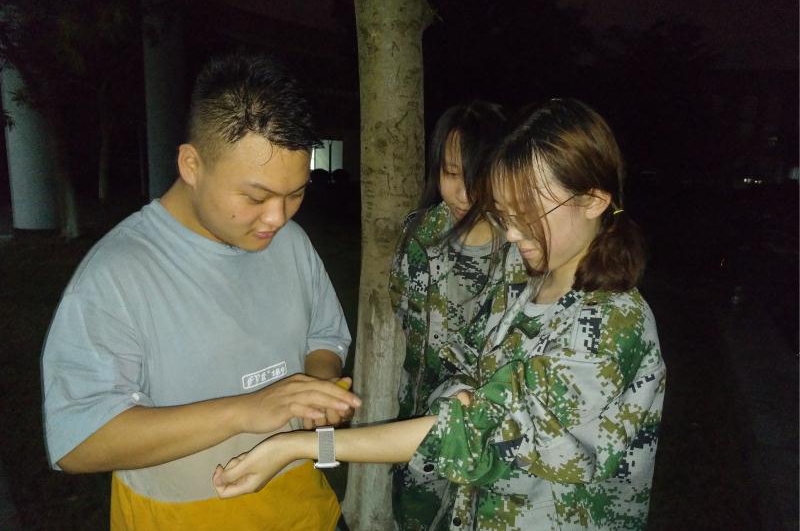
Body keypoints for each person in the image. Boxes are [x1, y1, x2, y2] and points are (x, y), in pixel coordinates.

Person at [212, 98, 666, 530]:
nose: (511, 234)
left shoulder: (611, 323)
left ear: (593, 200)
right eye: (505, 213)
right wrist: (461, 400)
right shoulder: (528, 286)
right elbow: (470, 385)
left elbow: (474, 438)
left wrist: (302, 446)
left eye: (528, 214)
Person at [41, 53, 362, 531]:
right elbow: (79, 442)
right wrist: (246, 411)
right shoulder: (118, 273)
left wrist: (317, 385)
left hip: (305, 509)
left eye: (295, 193)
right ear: (191, 164)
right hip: (180, 516)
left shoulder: (290, 243)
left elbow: (325, 334)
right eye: (255, 197)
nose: (278, 217)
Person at [389, 101, 527, 526]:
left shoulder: (522, 251)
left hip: (487, 438)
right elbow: (401, 307)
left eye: (477, 175)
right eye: (451, 174)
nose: (464, 193)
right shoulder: (418, 234)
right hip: (419, 426)